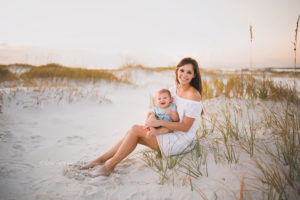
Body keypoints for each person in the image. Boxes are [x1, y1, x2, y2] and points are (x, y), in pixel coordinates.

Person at [81, 57, 203, 177]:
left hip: (182, 140)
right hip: (169, 131)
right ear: (177, 71)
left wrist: (158, 122)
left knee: (134, 130)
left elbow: (185, 127)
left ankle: (108, 166)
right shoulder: (174, 90)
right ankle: (101, 160)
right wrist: (149, 122)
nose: (184, 75)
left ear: (194, 75)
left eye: (189, 72)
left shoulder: (194, 95)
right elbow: (159, 109)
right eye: (182, 70)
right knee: (133, 133)